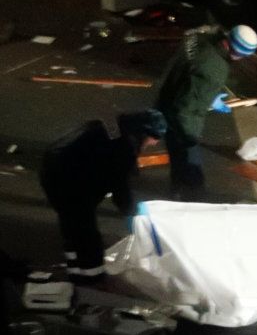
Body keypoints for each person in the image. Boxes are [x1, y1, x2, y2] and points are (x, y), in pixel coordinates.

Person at [39, 110, 167, 284]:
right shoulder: (122, 148)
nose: (155, 143)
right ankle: (93, 278)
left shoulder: (111, 131)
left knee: (72, 226)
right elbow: (120, 188)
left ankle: (76, 272)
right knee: (87, 235)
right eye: (155, 138)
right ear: (143, 133)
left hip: (54, 173)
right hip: (69, 182)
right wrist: (131, 212)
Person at [156, 24, 257, 201]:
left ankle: (176, 190)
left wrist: (208, 96)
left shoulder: (202, 40)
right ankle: (194, 199)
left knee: (176, 159)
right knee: (190, 162)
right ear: (239, 52)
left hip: (167, 100)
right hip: (180, 120)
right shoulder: (215, 70)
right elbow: (188, 106)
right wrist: (190, 135)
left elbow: (190, 80)